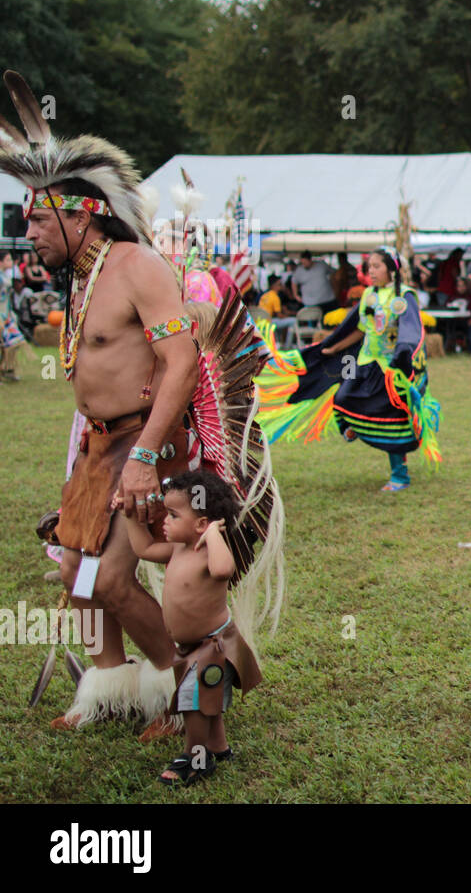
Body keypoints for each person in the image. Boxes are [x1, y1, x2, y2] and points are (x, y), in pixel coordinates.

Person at [1, 69, 197, 732]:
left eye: (36, 219)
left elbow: (182, 359)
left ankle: (183, 687)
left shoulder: (136, 266)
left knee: (112, 580)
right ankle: (107, 691)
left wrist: (145, 456)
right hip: (95, 445)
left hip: (144, 442)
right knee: (76, 578)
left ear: (79, 211)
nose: (28, 232)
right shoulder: (80, 281)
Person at [116, 470, 262, 786]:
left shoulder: (211, 551)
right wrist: (130, 516)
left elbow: (224, 570)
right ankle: (220, 748)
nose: (164, 521)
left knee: (194, 705)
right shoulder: (177, 549)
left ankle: (196, 757)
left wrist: (212, 535)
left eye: (172, 515)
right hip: (190, 649)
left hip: (213, 648)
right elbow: (143, 549)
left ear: (200, 524)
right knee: (206, 703)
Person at [257, 248, 441, 491]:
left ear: (391, 269)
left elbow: (411, 330)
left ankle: (400, 476)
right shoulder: (369, 295)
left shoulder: (403, 297)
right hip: (364, 362)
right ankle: (351, 428)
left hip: (390, 369)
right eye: (369, 267)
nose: (371, 272)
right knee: (342, 398)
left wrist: (403, 353)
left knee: (392, 418)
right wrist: (334, 348)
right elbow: (359, 329)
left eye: (377, 266)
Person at [0, 250, 26, 380]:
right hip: (1, 314)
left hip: (6, 313)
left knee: (13, 342)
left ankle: (8, 369)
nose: (10, 262)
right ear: (1, 262)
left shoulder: (5, 275)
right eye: (8, 260)